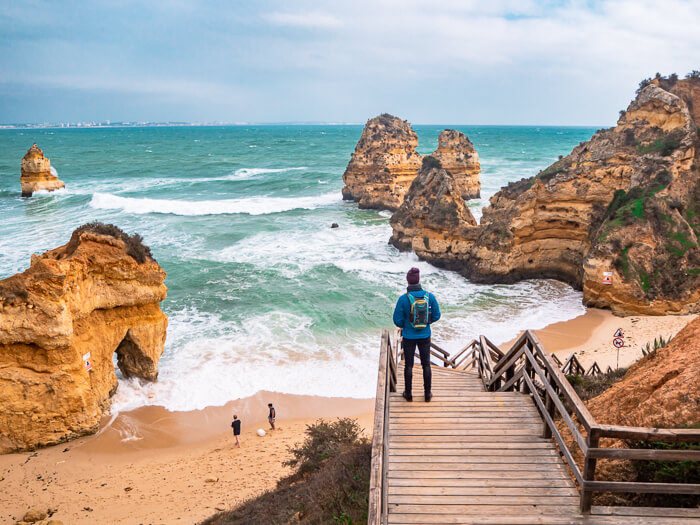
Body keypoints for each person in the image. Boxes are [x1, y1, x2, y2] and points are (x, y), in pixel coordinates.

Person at [393, 267, 441, 402]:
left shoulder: (403, 299)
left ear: (408, 281)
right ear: (418, 280)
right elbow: (437, 315)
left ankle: (408, 394)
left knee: (409, 365)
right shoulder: (429, 296)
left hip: (408, 336)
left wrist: (406, 325)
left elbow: (397, 320)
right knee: (426, 364)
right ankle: (427, 394)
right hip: (425, 335)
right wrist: (426, 322)